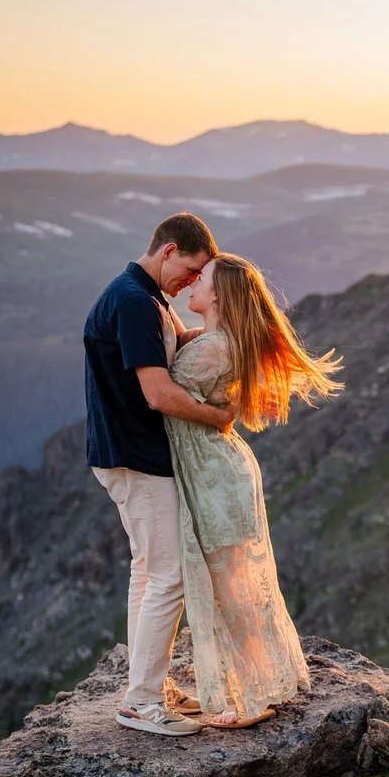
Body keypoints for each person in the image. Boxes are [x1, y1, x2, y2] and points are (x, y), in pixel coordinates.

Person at [166, 253, 343, 727]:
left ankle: (255, 697)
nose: (192, 286)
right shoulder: (216, 341)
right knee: (236, 586)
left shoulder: (212, 348)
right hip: (218, 471)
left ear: (219, 294)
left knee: (233, 591)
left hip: (213, 476)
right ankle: (252, 685)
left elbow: (162, 398)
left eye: (200, 279)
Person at [85, 213, 234, 736]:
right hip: (138, 457)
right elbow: (157, 393)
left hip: (125, 453)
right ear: (168, 250)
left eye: (200, 279)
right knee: (167, 575)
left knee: (148, 571)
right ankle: (141, 703)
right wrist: (220, 417)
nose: (193, 282)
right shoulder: (133, 302)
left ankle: (149, 685)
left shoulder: (143, 299)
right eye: (191, 270)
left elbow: (163, 354)